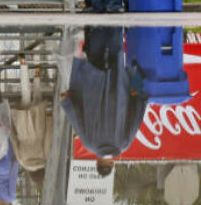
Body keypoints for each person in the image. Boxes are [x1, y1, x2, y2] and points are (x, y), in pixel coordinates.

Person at [61, 27, 148, 178]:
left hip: (118, 88)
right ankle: (96, 17)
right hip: (93, 86)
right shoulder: (89, 143)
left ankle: (113, 13)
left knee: (116, 51)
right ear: (96, 162)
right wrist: (67, 102)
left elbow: (135, 119)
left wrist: (138, 99)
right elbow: (76, 119)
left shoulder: (124, 143)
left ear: (112, 163)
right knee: (95, 52)